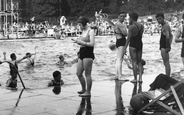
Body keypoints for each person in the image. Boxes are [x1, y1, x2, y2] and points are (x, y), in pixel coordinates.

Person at [72, 16, 95, 97]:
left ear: (84, 24)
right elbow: (82, 41)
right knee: (78, 73)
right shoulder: (83, 31)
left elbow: (92, 44)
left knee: (87, 74)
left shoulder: (90, 31)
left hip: (88, 53)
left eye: (80, 25)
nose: (79, 27)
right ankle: (83, 89)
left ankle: (88, 92)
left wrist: (81, 42)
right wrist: (77, 41)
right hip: (82, 52)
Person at [105, 12, 128, 80]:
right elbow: (125, 33)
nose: (122, 18)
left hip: (118, 41)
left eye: (124, 16)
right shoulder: (120, 24)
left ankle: (116, 75)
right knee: (119, 60)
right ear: (118, 17)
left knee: (118, 59)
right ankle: (120, 76)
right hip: (121, 41)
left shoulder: (117, 24)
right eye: (121, 16)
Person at [123, 12, 144, 83]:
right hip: (140, 44)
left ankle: (135, 78)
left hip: (133, 44)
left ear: (131, 18)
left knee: (134, 62)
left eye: (129, 18)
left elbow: (128, 38)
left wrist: (124, 48)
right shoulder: (141, 26)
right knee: (139, 62)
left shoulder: (131, 27)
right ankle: (140, 78)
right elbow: (140, 35)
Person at [155, 13, 173, 77]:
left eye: (160, 19)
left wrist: (168, 46)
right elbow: (171, 36)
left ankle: (167, 77)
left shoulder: (165, 26)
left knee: (166, 63)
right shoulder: (164, 26)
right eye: (157, 19)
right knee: (165, 63)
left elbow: (168, 36)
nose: (159, 20)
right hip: (163, 45)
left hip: (164, 46)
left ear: (163, 18)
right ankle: (167, 76)